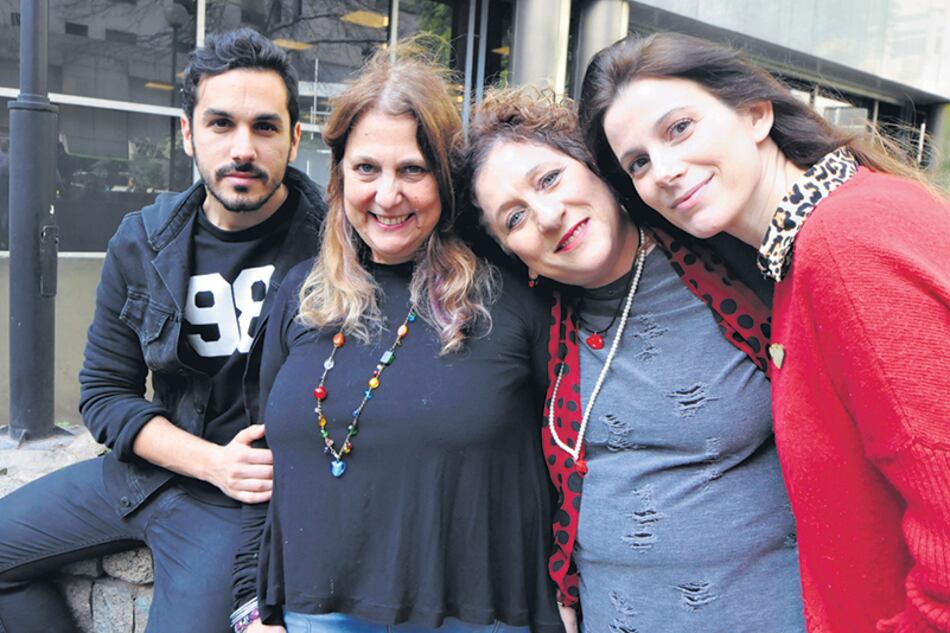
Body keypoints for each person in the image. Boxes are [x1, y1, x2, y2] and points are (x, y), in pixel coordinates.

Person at [578, 32, 950, 632]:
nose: (665, 171)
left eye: (679, 128)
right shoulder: (799, 258)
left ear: (755, 113)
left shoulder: (845, 240)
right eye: (638, 163)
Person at [0, 28, 326, 632]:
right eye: (221, 124)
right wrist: (208, 461)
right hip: (146, 476)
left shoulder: (335, 248)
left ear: (294, 138)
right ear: (188, 133)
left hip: (239, 510)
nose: (243, 148)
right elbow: (103, 393)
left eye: (265, 127)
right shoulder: (144, 239)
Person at [230, 49, 564, 633]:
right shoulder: (300, 297)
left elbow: (571, 467)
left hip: (476, 614)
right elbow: (262, 465)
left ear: (446, 178)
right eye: (366, 169)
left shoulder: (514, 298)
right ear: (339, 176)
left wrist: (567, 594)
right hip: (314, 616)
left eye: (413, 169)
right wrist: (252, 608)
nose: (387, 196)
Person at [458, 88, 804, 633]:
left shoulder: (733, 257)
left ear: (598, 169)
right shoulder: (532, 330)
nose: (547, 216)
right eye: (515, 218)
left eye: (550, 179)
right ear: (513, 253)